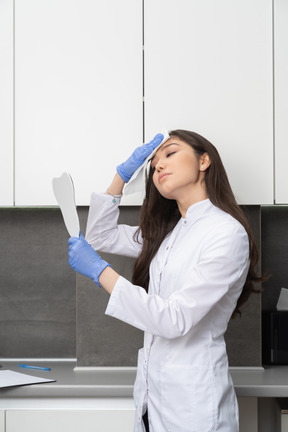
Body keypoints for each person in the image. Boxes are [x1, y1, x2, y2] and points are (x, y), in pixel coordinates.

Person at [68, 130, 263, 432]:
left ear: (204, 161)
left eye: (170, 153)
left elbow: (174, 319)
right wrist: (122, 175)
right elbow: (99, 235)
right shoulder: (169, 233)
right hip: (153, 398)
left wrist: (99, 271)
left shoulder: (226, 233)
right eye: (154, 162)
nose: (158, 165)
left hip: (194, 406)